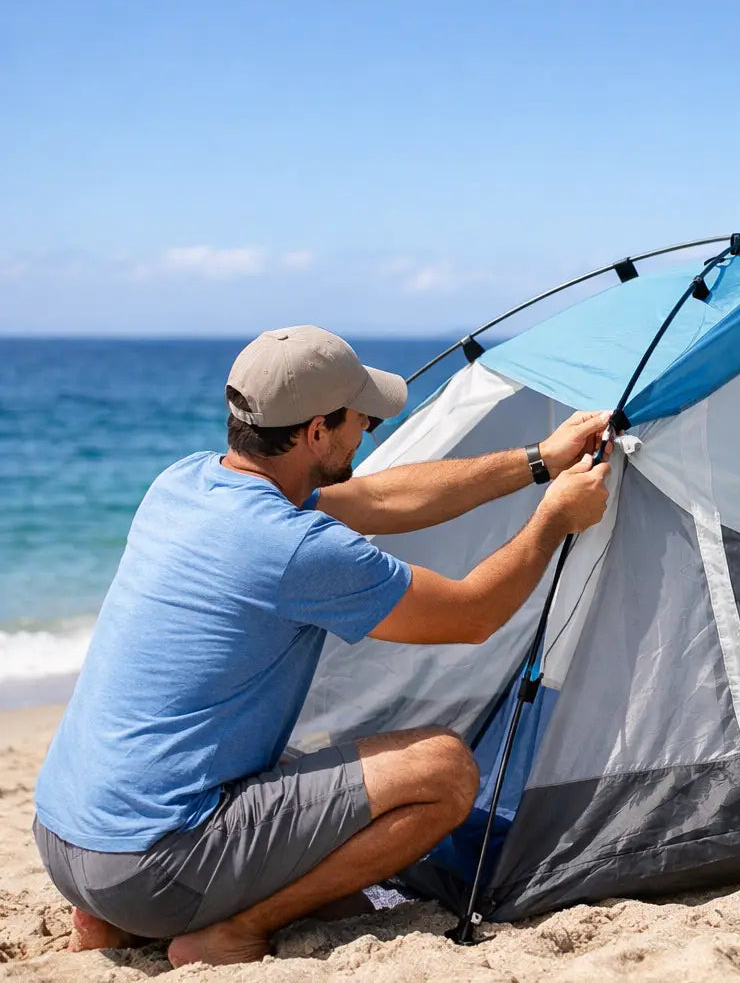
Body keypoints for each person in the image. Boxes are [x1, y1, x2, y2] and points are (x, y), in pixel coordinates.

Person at [32, 325, 611, 966]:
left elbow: (381, 497)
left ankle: (113, 920)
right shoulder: (296, 548)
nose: (368, 428)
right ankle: (233, 928)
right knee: (444, 771)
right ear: (314, 432)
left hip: (63, 842)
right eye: (358, 418)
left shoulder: (185, 483)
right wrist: (555, 517)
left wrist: (539, 460)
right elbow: (473, 614)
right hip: (152, 866)